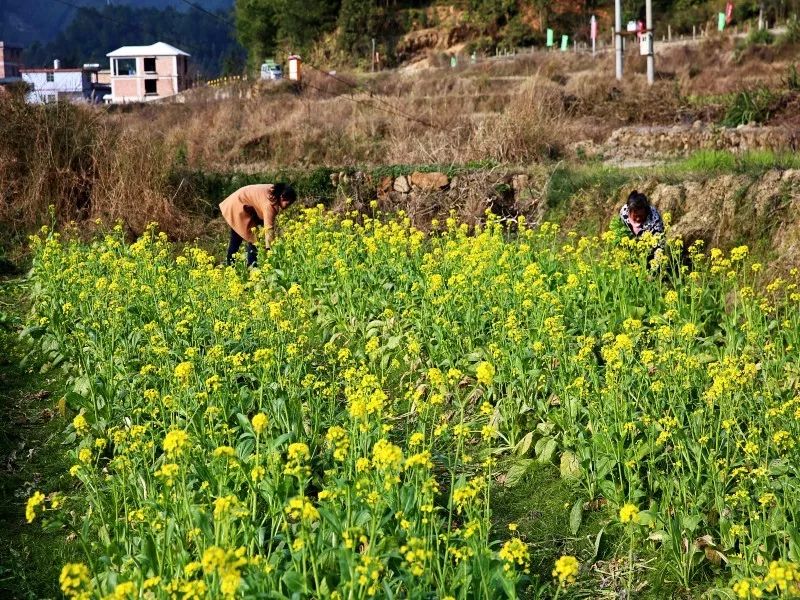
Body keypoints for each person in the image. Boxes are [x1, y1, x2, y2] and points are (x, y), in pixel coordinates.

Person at [219, 183, 296, 267]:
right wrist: (269, 250)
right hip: (238, 205)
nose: (288, 207)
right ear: (282, 197)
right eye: (288, 203)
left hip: (241, 203)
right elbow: (269, 228)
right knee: (250, 240)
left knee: (252, 238)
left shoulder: (274, 191)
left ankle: (240, 266)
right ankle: (247, 267)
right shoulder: (269, 204)